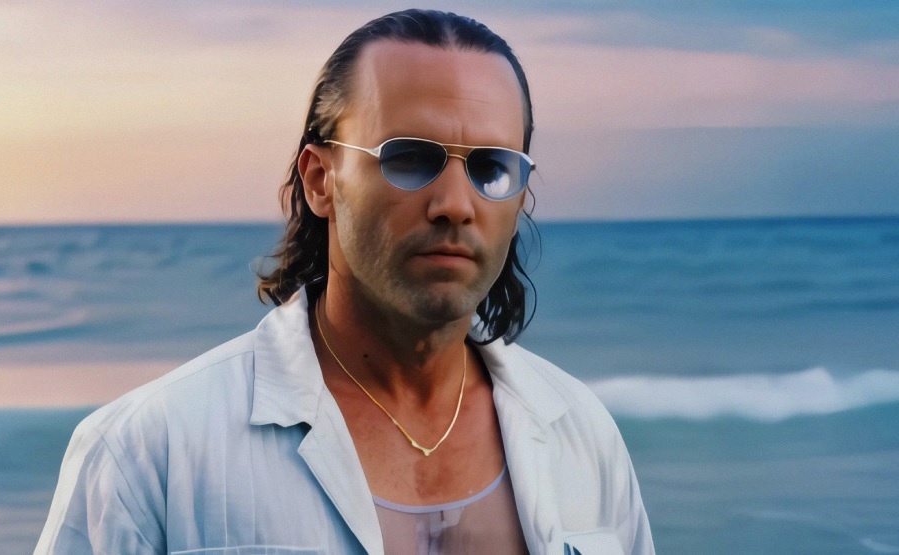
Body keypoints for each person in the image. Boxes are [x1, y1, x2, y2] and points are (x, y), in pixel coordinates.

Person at [35, 9, 654, 555]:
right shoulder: (150, 452)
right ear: (320, 181)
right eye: (410, 159)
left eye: (492, 168)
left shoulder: (582, 437)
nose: (455, 205)